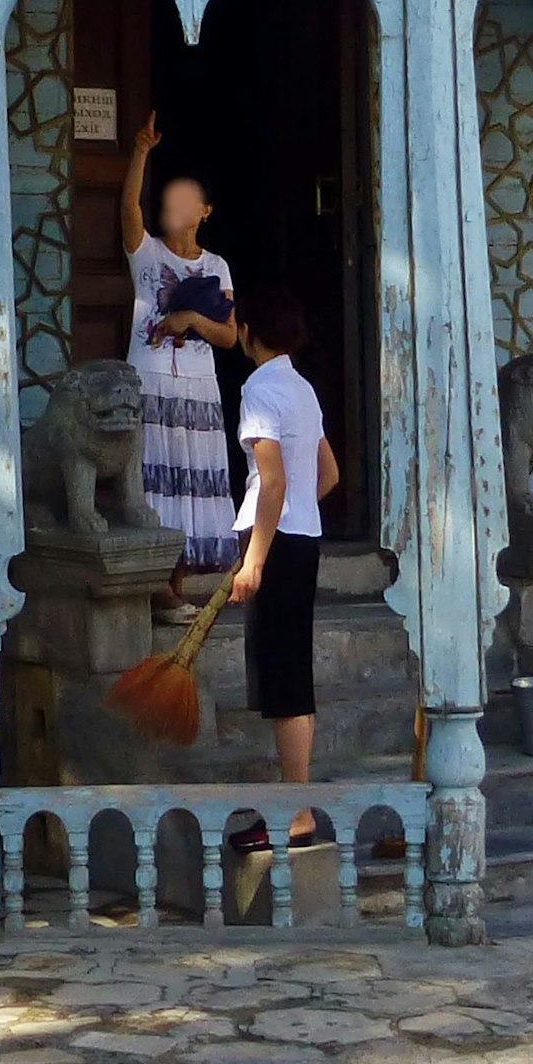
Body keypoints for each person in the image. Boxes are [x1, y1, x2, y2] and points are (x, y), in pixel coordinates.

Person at [118, 113, 238, 622]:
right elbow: (127, 207)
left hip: (196, 389)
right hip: (150, 380)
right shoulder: (146, 255)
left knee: (189, 480)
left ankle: (176, 585)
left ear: (205, 211)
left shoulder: (216, 267)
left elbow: (230, 334)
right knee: (154, 482)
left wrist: (191, 316)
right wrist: (141, 152)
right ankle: (156, 588)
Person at [225, 281, 337, 796]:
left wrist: (254, 561)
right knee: (292, 673)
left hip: (275, 540)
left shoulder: (259, 390)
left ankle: (299, 806)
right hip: (302, 538)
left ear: (247, 334)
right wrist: (299, 512)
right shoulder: (302, 388)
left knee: (285, 681)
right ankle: (299, 799)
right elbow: (328, 475)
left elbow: (272, 482)